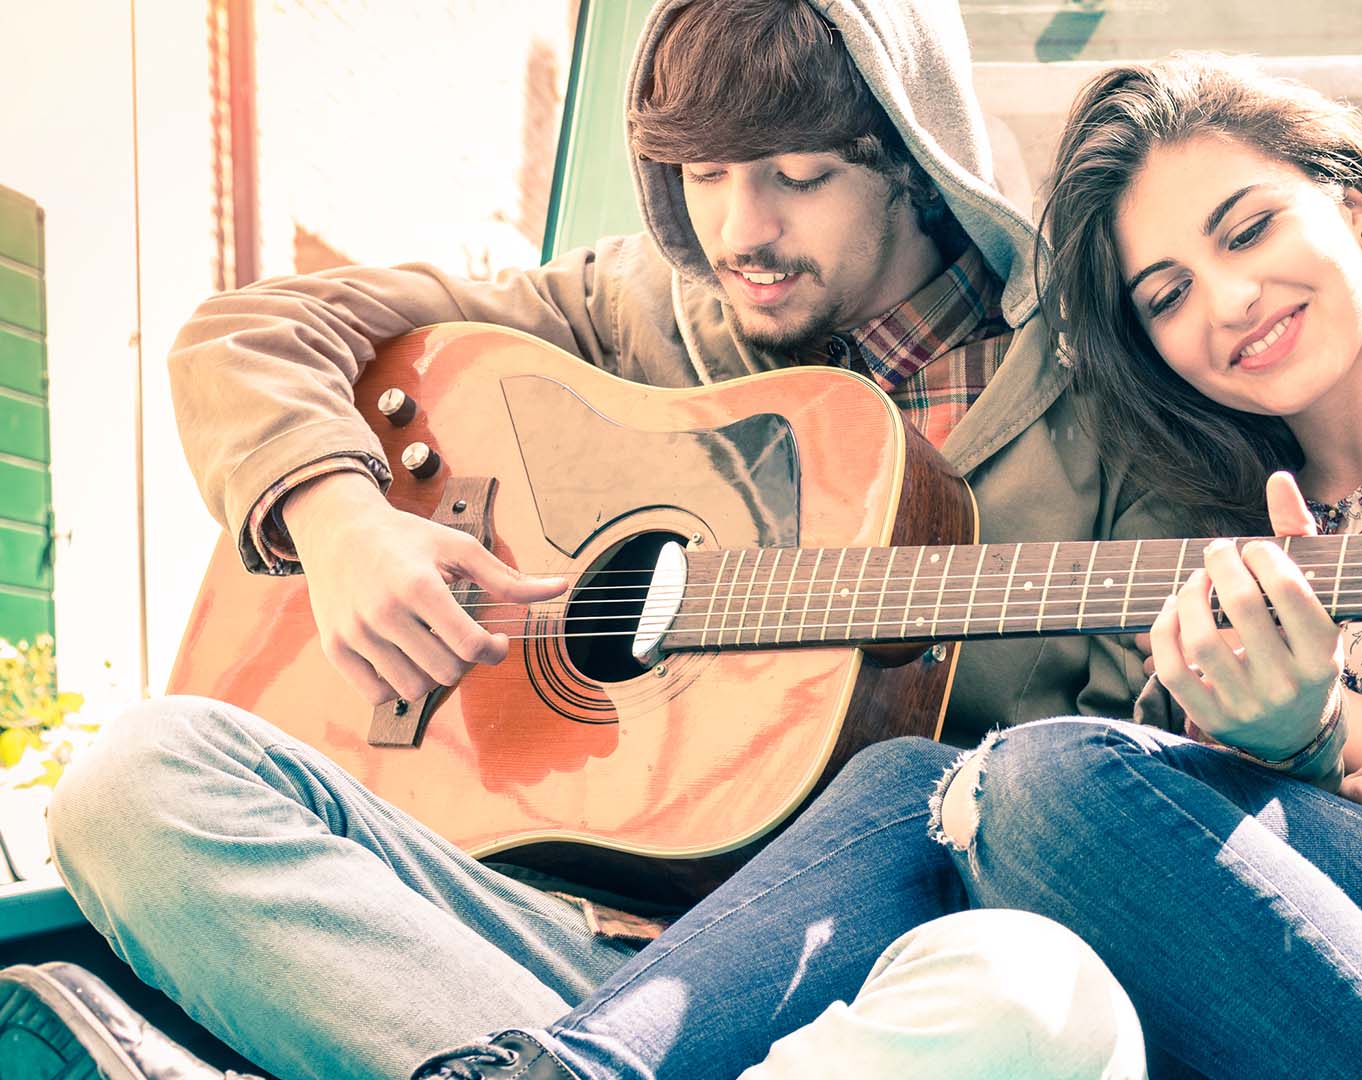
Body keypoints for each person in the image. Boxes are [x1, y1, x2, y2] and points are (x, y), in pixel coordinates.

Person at [315, 52, 1362, 1080]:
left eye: (1248, 228)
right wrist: (1331, 796)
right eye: (1165, 293)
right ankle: (573, 1070)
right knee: (911, 784)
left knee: (1036, 781)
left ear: (1350, 199)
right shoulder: (1218, 507)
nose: (1230, 303)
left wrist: (1334, 737)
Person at [28, 2, 1163, 1078]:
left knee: (1027, 996)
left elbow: (1120, 793)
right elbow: (253, 332)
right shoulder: (632, 312)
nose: (739, 230)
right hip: (516, 944)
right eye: (704, 176)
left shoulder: (1109, 407)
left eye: (799, 177)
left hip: (848, 990)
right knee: (136, 777)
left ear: (918, 159)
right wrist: (341, 520)